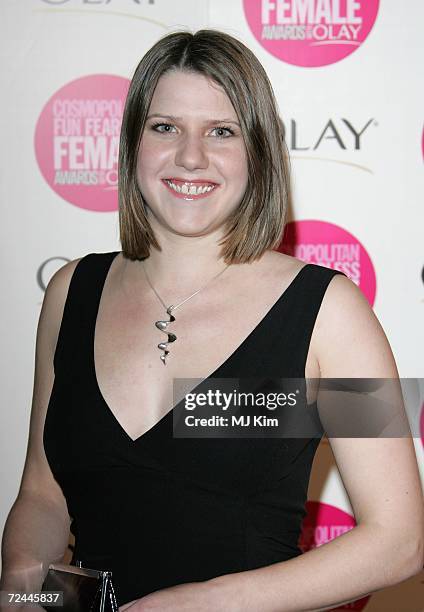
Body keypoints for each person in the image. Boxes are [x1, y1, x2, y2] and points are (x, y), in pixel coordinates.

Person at [1, 29, 423, 612]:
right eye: (164, 127)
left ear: (258, 150)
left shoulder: (330, 312)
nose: (190, 156)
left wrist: (194, 605)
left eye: (221, 131)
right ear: (133, 144)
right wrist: (24, 596)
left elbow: (399, 542)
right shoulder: (71, 293)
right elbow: (43, 495)